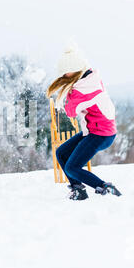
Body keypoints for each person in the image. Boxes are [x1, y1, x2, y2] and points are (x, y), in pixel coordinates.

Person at [46, 44, 122, 200]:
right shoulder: (88, 78)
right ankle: (78, 190)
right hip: (94, 130)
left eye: (65, 72)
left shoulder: (85, 89)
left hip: (101, 134)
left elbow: (70, 112)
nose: (64, 76)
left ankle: (105, 188)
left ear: (75, 69)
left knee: (72, 167)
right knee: (61, 153)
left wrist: (68, 97)